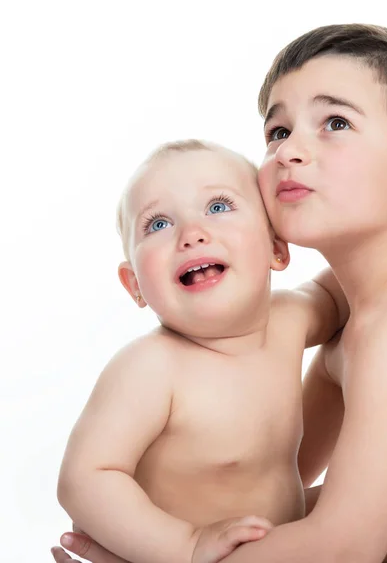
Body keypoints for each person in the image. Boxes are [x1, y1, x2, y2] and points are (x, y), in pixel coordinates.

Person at [54, 23, 387, 563]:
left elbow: (341, 551)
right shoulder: (358, 322)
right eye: (277, 132)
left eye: (334, 122)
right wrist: (151, 532)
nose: (289, 151)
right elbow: (272, 470)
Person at [56, 139, 352, 563]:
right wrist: (186, 545)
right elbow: (84, 478)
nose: (191, 234)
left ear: (276, 248)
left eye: (217, 206)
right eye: (157, 224)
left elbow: (339, 293)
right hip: (186, 555)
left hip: (281, 543)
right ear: (135, 284)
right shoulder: (151, 367)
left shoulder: (289, 318)